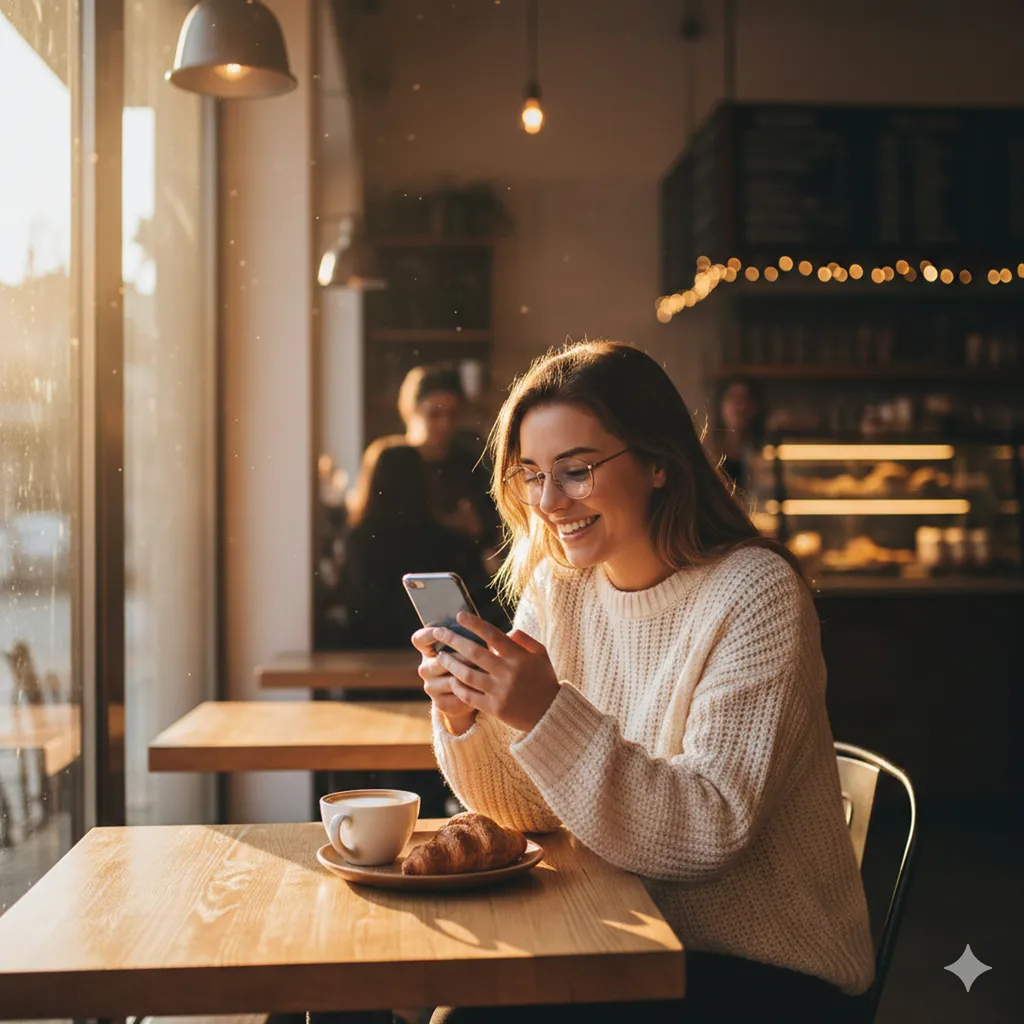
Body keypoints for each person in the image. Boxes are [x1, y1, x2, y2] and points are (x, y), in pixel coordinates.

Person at [412, 341, 874, 1023]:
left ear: (659, 462)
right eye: (531, 475)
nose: (548, 502)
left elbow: (711, 830)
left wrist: (544, 713)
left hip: (763, 973)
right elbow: (531, 812)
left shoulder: (755, 593)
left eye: (575, 471)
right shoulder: (559, 585)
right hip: (620, 936)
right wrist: (469, 717)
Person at [340, 440, 501, 648]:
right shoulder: (446, 540)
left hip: (368, 649)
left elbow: (353, 602)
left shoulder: (359, 538)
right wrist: (476, 537)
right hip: (434, 646)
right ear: (422, 482)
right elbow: (479, 599)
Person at [396, 363, 501, 554]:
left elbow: (489, 534)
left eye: (452, 414)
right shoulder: (393, 464)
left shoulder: (470, 465)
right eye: (434, 414)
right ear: (412, 411)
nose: (445, 424)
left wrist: (476, 528)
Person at [716, 376, 764, 491]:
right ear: (721, 405)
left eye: (744, 398)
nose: (739, 406)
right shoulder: (707, 452)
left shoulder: (762, 451)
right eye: (732, 398)